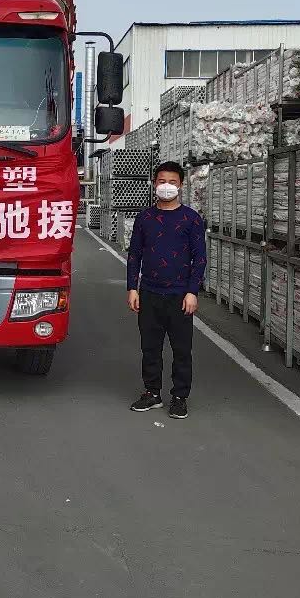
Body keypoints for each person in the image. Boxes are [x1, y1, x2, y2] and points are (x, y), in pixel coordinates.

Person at [126, 162, 207, 420]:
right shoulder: (145, 218)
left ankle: (180, 397)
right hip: (149, 292)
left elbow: (199, 258)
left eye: (172, 182)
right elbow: (134, 255)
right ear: (154, 184)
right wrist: (132, 288)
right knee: (150, 347)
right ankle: (152, 393)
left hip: (180, 295)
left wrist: (192, 291)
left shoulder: (191, 219)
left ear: (181, 185)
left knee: (182, 350)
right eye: (162, 181)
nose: (166, 186)